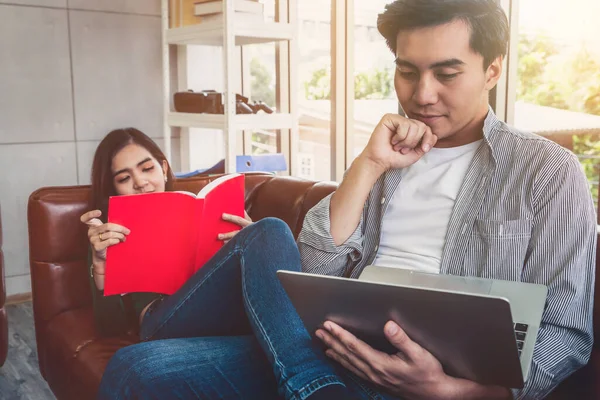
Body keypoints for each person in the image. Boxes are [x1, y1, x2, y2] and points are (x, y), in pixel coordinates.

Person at [98, 0, 596, 398]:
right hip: (332, 353)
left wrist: (454, 391)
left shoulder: (547, 172)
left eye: (447, 74)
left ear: (492, 70)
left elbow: (567, 333)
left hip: (433, 381)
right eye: (407, 71)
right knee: (132, 368)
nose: (422, 95)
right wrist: (367, 165)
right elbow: (314, 270)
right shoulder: (387, 157)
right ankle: (317, 389)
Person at [85, 128, 380, 399]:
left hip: (228, 319)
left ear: (163, 167)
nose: (140, 182)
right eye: (124, 178)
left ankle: (310, 381)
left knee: (269, 229)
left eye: (146, 168)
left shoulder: (202, 211)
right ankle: (315, 386)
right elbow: (109, 326)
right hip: (160, 322)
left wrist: (251, 243)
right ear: (114, 188)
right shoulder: (112, 231)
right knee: (268, 231)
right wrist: (100, 264)